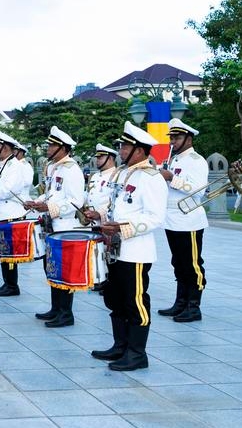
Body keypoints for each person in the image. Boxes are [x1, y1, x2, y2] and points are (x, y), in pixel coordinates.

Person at [84, 122, 166, 371]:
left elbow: (155, 217)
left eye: (126, 146)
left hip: (136, 251)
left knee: (135, 301)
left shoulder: (151, 178)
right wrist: (97, 215)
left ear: (140, 150)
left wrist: (122, 227)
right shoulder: (122, 174)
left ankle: (137, 353)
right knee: (115, 299)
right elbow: (113, 206)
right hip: (115, 249)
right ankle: (120, 345)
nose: (120, 150)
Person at [23, 126, 86, 328]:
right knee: (51, 267)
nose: (48, 148)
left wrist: (49, 207)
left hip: (65, 226)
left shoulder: (72, 169)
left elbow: (76, 201)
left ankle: (66, 313)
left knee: (64, 270)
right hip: (51, 225)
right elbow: (51, 194)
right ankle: (55, 308)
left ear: (63, 148)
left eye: (51, 145)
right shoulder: (54, 168)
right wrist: (37, 202)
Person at [158, 118, 208, 322]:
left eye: (177, 137)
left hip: (189, 220)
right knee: (178, 262)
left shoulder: (197, 160)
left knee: (192, 264)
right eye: (171, 137)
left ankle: (194, 307)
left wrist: (171, 178)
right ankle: (181, 303)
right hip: (171, 219)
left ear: (188, 138)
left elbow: (199, 191)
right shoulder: (174, 159)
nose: (172, 141)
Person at [0, 132, 27, 297]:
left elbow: (6, 191)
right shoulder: (2, 164)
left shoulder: (15, 166)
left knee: (9, 253)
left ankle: (12, 285)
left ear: (5, 147)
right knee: (3, 252)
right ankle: (8, 283)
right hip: (2, 213)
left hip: (10, 214)